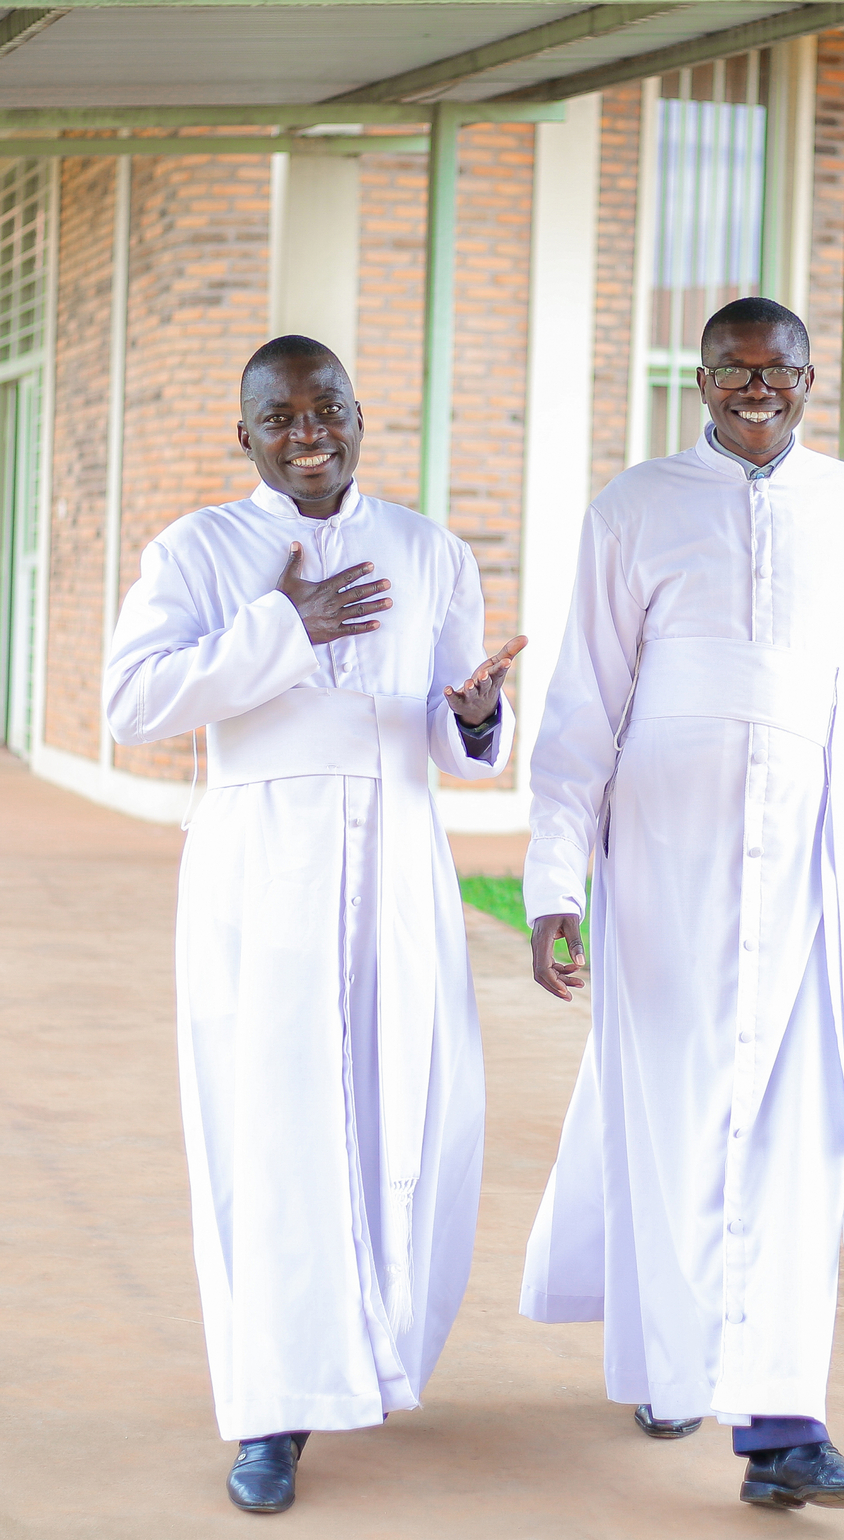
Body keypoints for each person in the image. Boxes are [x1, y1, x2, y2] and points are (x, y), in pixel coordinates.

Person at [520, 297, 844, 1512]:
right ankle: (678, 1365)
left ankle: (783, 1427)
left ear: (809, 379)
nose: (754, 388)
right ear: (700, 379)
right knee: (675, 1123)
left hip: (810, 877)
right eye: (732, 370)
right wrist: (554, 882)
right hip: (663, 869)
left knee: (796, 1143)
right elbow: (580, 714)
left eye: (776, 370)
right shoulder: (632, 509)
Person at [105, 335, 524, 1515]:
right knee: (270, 1125)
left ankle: (373, 1356)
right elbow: (133, 702)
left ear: (356, 413)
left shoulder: (429, 549)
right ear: (245, 434)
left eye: (327, 407)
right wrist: (282, 623)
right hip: (262, 864)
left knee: (407, 1110)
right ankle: (272, 1410)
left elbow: (453, 739)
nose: (309, 432)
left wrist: (478, 714)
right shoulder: (199, 550)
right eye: (280, 416)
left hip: (395, 855)